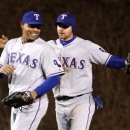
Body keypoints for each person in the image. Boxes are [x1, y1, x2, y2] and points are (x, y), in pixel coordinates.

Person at [0, 12, 128, 130]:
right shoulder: (50, 46)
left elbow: (108, 59)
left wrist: (125, 63)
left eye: (65, 26)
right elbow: (31, 49)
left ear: (72, 27)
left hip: (80, 101)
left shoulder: (85, 46)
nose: (61, 29)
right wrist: (9, 45)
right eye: (59, 25)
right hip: (60, 103)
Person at [0, 11, 64, 130]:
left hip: (33, 103)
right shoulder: (11, 44)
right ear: (22, 25)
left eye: (38, 27)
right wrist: (1, 70)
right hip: (15, 101)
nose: (35, 30)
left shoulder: (45, 49)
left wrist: (32, 94)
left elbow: (55, 77)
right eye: (31, 26)